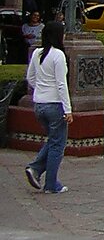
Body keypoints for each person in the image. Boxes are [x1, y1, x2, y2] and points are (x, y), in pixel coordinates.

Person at [23, 21, 72, 193]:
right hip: (54, 105)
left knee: (53, 140)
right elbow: (61, 85)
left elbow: (30, 78)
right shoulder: (58, 55)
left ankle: (35, 168)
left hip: (39, 104)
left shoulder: (37, 53)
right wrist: (68, 110)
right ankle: (51, 184)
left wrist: (41, 90)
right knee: (58, 145)